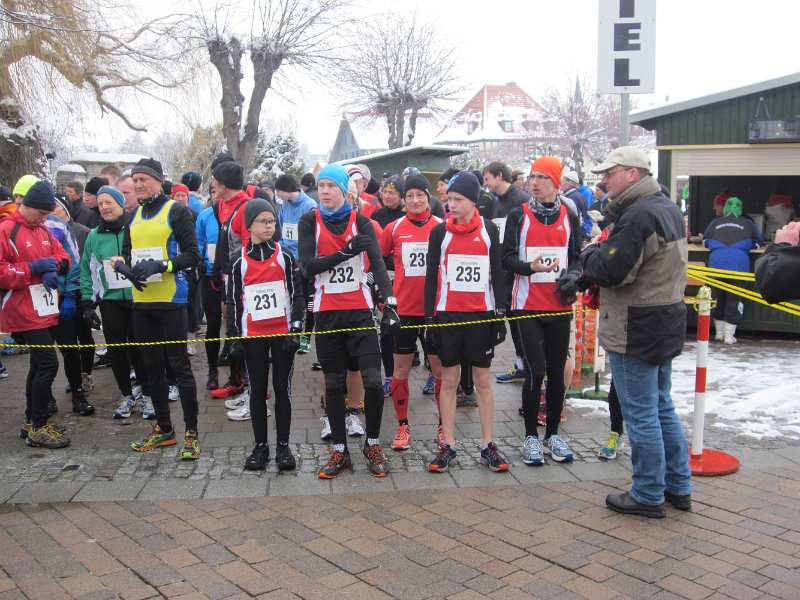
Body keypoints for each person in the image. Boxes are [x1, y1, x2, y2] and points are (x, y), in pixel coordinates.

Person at [581, 146, 691, 518]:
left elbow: (613, 272)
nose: (603, 180)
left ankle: (647, 493)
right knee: (661, 406)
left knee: (642, 412)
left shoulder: (638, 215)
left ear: (632, 173)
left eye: (609, 173)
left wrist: (589, 254)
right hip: (664, 320)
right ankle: (678, 485)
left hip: (636, 325)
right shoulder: (666, 207)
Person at [298, 163, 396, 478]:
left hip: (360, 312)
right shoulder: (309, 221)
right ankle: (340, 450)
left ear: (344, 190)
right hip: (327, 314)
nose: (324, 191)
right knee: (333, 383)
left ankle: (373, 443)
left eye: (331, 186)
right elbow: (307, 267)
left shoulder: (362, 222)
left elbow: (377, 264)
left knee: (373, 381)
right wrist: (345, 252)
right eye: (321, 186)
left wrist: (390, 301)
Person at [112, 158, 201, 460]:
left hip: (171, 300)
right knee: (151, 369)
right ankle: (164, 429)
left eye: (144, 180)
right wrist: (126, 270)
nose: (138, 185)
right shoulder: (133, 216)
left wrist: (163, 265)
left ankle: (191, 433)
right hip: (142, 302)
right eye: (135, 180)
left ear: (159, 181)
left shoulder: (176, 211)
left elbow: (192, 255)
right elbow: (127, 254)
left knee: (179, 368)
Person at [424, 171, 509, 473]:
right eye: (449, 199)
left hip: (481, 315)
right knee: (449, 380)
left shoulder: (489, 229)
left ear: (473, 201)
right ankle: (448, 444)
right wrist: (429, 318)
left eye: (458, 199)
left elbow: (497, 272)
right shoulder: (439, 232)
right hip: (448, 315)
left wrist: (500, 313)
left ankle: (488, 444)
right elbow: (431, 276)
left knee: (483, 380)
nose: (451, 205)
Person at [503, 156, 581, 465]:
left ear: (556, 183)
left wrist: (573, 277)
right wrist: (529, 267)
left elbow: (576, 257)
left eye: (542, 177)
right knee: (535, 371)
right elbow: (506, 257)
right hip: (527, 306)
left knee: (558, 371)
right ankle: (530, 437)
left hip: (558, 305)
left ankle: (553, 434)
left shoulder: (569, 215)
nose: (534, 182)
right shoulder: (518, 215)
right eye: (532, 176)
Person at [230, 198, 304, 470]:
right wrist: (234, 337)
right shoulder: (238, 260)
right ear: (249, 225)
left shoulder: (285, 256)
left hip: (281, 332)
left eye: (272, 221)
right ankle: (260, 446)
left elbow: (297, 294)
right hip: (253, 335)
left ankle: (283, 447)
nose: (269, 226)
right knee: (257, 390)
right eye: (263, 221)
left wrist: (296, 329)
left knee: (282, 389)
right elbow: (234, 301)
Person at [0, 180, 72, 448]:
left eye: (47, 214)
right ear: (28, 205)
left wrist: (55, 267)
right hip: (22, 308)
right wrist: (32, 269)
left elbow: (62, 255)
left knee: (38, 364)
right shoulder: (6, 229)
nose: (44, 218)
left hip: (44, 307)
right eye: (41, 213)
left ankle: (32, 420)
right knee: (48, 364)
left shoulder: (43, 229)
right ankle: (38, 426)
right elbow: (2, 271)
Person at [380, 175, 444, 449]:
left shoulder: (442, 226)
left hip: (435, 311)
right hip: (404, 310)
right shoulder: (394, 228)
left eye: (420, 195)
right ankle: (402, 426)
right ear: (404, 200)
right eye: (410, 196)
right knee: (401, 369)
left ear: (428, 197)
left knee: (440, 371)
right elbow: (376, 260)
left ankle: (444, 425)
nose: (415, 200)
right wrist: (383, 296)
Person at [80, 186, 152, 419]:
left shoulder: (135, 227)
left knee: (141, 348)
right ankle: (126, 395)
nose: (104, 207)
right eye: (100, 203)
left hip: (137, 298)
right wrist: (88, 303)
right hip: (111, 301)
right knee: (117, 350)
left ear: (120, 204)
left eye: (109, 202)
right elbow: (88, 270)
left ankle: (148, 395)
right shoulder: (94, 236)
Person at [482, 161, 530, 385]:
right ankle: (521, 365)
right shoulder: (496, 202)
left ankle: (529, 366)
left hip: (517, 271)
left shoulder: (520, 200)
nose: (486, 184)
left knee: (520, 323)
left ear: (499, 176)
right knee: (511, 320)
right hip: (501, 272)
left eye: (487, 179)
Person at [208, 157, 250, 403]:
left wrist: (237, 280)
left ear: (225, 183)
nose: (212, 184)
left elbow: (248, 250)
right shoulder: (221, 205)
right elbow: (222, 240)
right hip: (228, 278)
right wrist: (217, 268)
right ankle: (236, 380)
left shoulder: (246, 207)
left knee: (242, 330)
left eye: (215, 180)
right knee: (231, 328)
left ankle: (248, 385)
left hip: (244, 281)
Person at [704, 196, 763, 343]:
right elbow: (759, 242)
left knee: (717, 298)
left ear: (725, 208)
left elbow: (705, 242)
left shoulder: (715, 222)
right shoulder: (748, 223)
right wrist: (750, 245)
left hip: (716, 264)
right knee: (734, 299)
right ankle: (729, 336)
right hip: (739, 265)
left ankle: (719, 333)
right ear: (740, 209)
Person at [274, 174, 317, 354]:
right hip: (288, 261)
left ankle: (306, 340)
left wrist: (305, 260)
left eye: (278, 191)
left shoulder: (309, 206)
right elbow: (281, 230)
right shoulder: (284, 205)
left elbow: (314, 237)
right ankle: (293, 335)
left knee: (309, 302)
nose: (277, 195)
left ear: (287, 190)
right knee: (293, 300)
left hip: (305, 263)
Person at [195, 187, 222, 390]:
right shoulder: (204, 216)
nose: (217, 194)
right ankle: (213, 371)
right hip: (210, 276)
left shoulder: (240, 212)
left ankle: (239, 372)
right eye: (213, 191)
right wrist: (201, 261)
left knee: (237, 325)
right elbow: (196, 242)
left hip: (234, 275)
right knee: (213, 324)